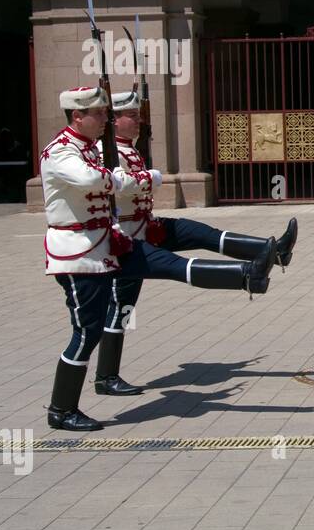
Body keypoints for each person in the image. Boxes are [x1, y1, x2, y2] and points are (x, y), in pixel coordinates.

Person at [42, 87, 277, 432]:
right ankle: (62, 409)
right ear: (77, 116)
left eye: (107, 112)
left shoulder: (89, 149)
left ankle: (246, 273)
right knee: (87, 332)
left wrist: (122, 180)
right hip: (79, 256)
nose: (105, 118)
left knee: (167, 264)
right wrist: (123, 179)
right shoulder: (61, 152)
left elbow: (111, 181)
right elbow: (93, 179)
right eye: (99, 113)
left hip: (109, 244)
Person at [91, 90, 299, 395]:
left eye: (138, 115)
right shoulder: (106, 151)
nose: (138, 120)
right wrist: (151, 178)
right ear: (114, 120)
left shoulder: (127, 148)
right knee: (122, 307)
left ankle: (273, 251)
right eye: (131, 116)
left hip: (149, 228)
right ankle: (106, 376)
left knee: (199, 232)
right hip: (126, 241)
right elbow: (117, 187)